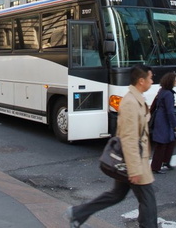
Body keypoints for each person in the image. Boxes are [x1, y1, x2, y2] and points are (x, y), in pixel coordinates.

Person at [66, 64, 157, 228]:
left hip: (132, 160)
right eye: (150, 78)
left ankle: (78, 213)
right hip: (134, 162)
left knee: (116, 195)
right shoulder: (130, 102)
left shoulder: (137, 99)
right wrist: (135, 169)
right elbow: (129, 138)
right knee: (148, 201)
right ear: (141, 81)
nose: (152, 81)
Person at [150, 72, 176, 174]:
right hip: (163, 121)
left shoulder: (162, 91)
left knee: (171, 140)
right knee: (162, 143)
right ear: (171, 81)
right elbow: (170, 111)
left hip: (160, 119)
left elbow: (153, 105)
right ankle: (155, 167)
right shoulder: (168, 94)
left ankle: (165, 162)